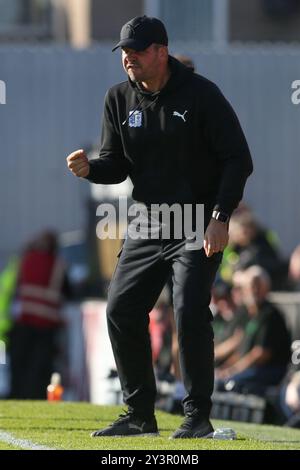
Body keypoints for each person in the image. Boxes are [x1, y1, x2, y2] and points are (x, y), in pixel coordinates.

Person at [67, 15, 253, 438]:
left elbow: (238, 159)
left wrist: (220, 218)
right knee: (121, 308)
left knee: (188, 309)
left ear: (161, 52)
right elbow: (115, 167)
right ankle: (139, 415)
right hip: (148, 221)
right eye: (124, 52)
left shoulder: (202, 95)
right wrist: (89, 170)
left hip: (197, 221)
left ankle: (197, 415)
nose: (128, 58)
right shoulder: (117, 99)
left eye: (137, 50)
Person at [9, 230, 70, 399]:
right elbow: (67, 291)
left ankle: (17, 395)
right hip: (47, 325)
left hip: (24, 321)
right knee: (40, 367)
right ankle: (36, 396)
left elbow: (16, 287)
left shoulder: (26, 259)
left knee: (20, 363)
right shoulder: (58, 264)